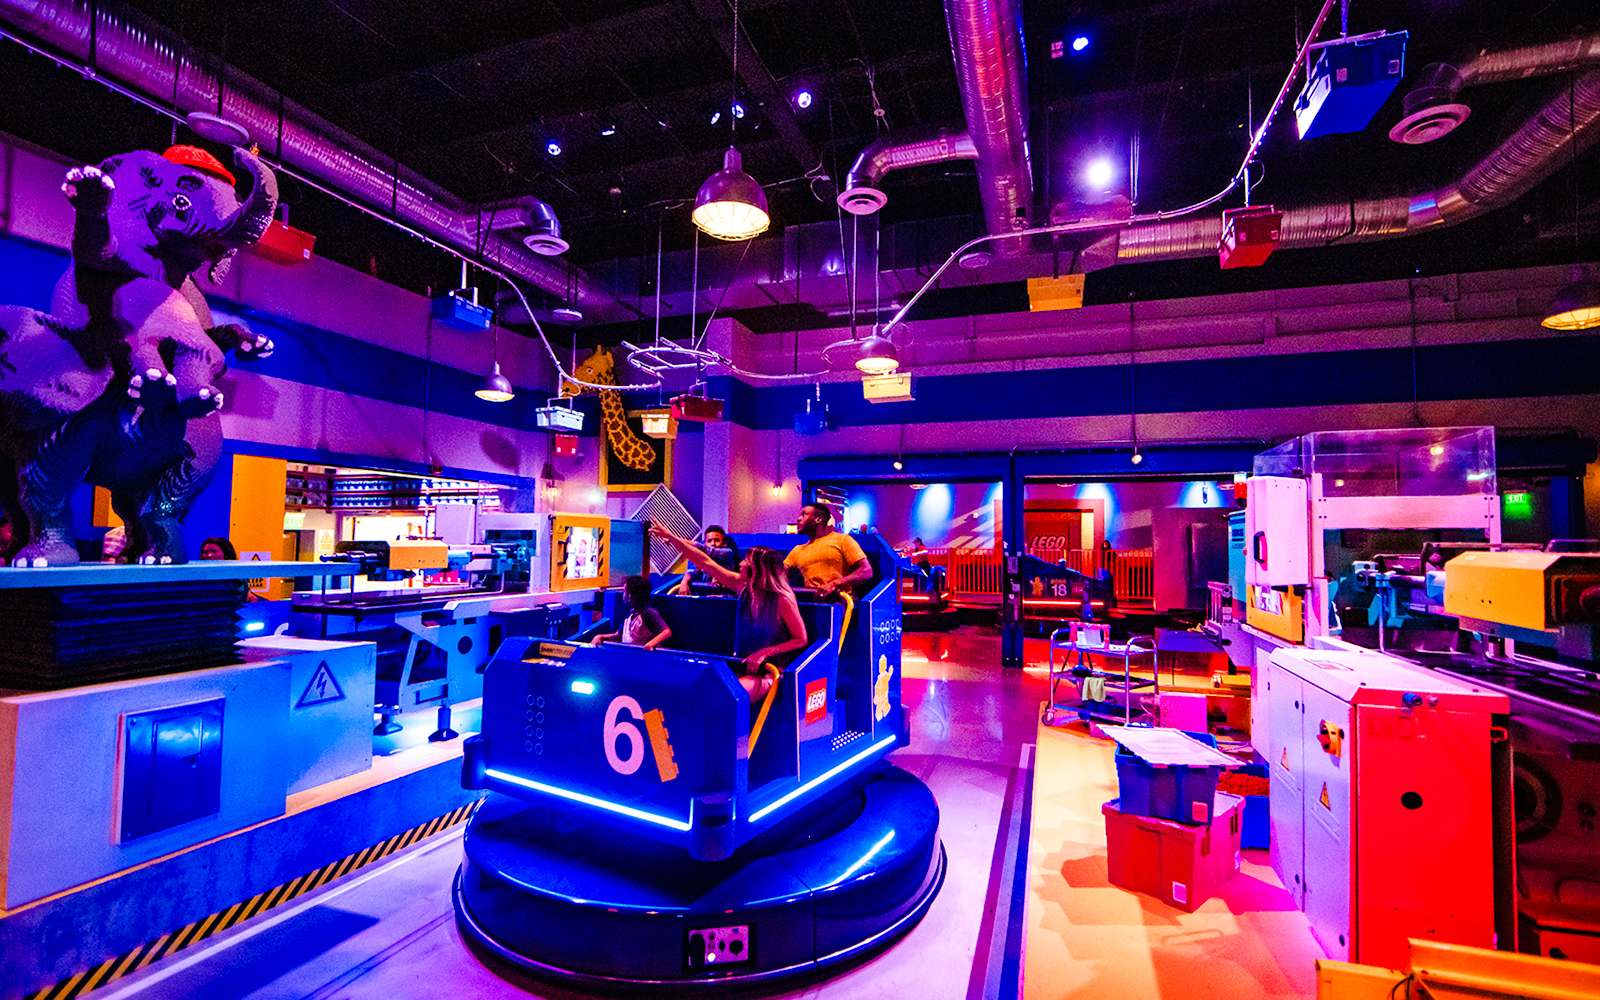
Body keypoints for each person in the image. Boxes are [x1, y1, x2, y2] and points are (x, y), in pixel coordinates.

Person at [649, 523, 807, 702]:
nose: (740, 564)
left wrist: (764, 653)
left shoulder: (782, 599)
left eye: (746, 561)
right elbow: (704, 561)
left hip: (770, 671)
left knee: (728, 698)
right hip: (740, 664)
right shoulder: (743, 587)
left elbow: (800, 639)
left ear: (758, 569)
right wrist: (672, 538)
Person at [785, 503, 873, 598]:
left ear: (818, 519)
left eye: (804, 514)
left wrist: (834, 584)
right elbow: (778, 573)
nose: (798, 519)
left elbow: (866, 571)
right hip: (813, 601)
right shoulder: (797, 550)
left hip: (840, 600)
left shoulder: (842, 540)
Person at [591, 574, 673, 650]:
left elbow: (666, 632)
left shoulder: (649, 613)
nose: (623, 595)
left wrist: (650, 644)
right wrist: (600, 637)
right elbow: (618, 635)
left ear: (629, 596)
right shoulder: (631, 613)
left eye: (624, 592)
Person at [675, 525, 739, 595]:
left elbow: (709, 551)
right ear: (705, 543)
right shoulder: (702, 558)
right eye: (709, 541)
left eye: (717, 540)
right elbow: (693, 571)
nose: (713, 544)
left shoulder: (728, 553)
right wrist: (685, 580)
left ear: (724, 543)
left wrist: (678, 540)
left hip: (725, 600)